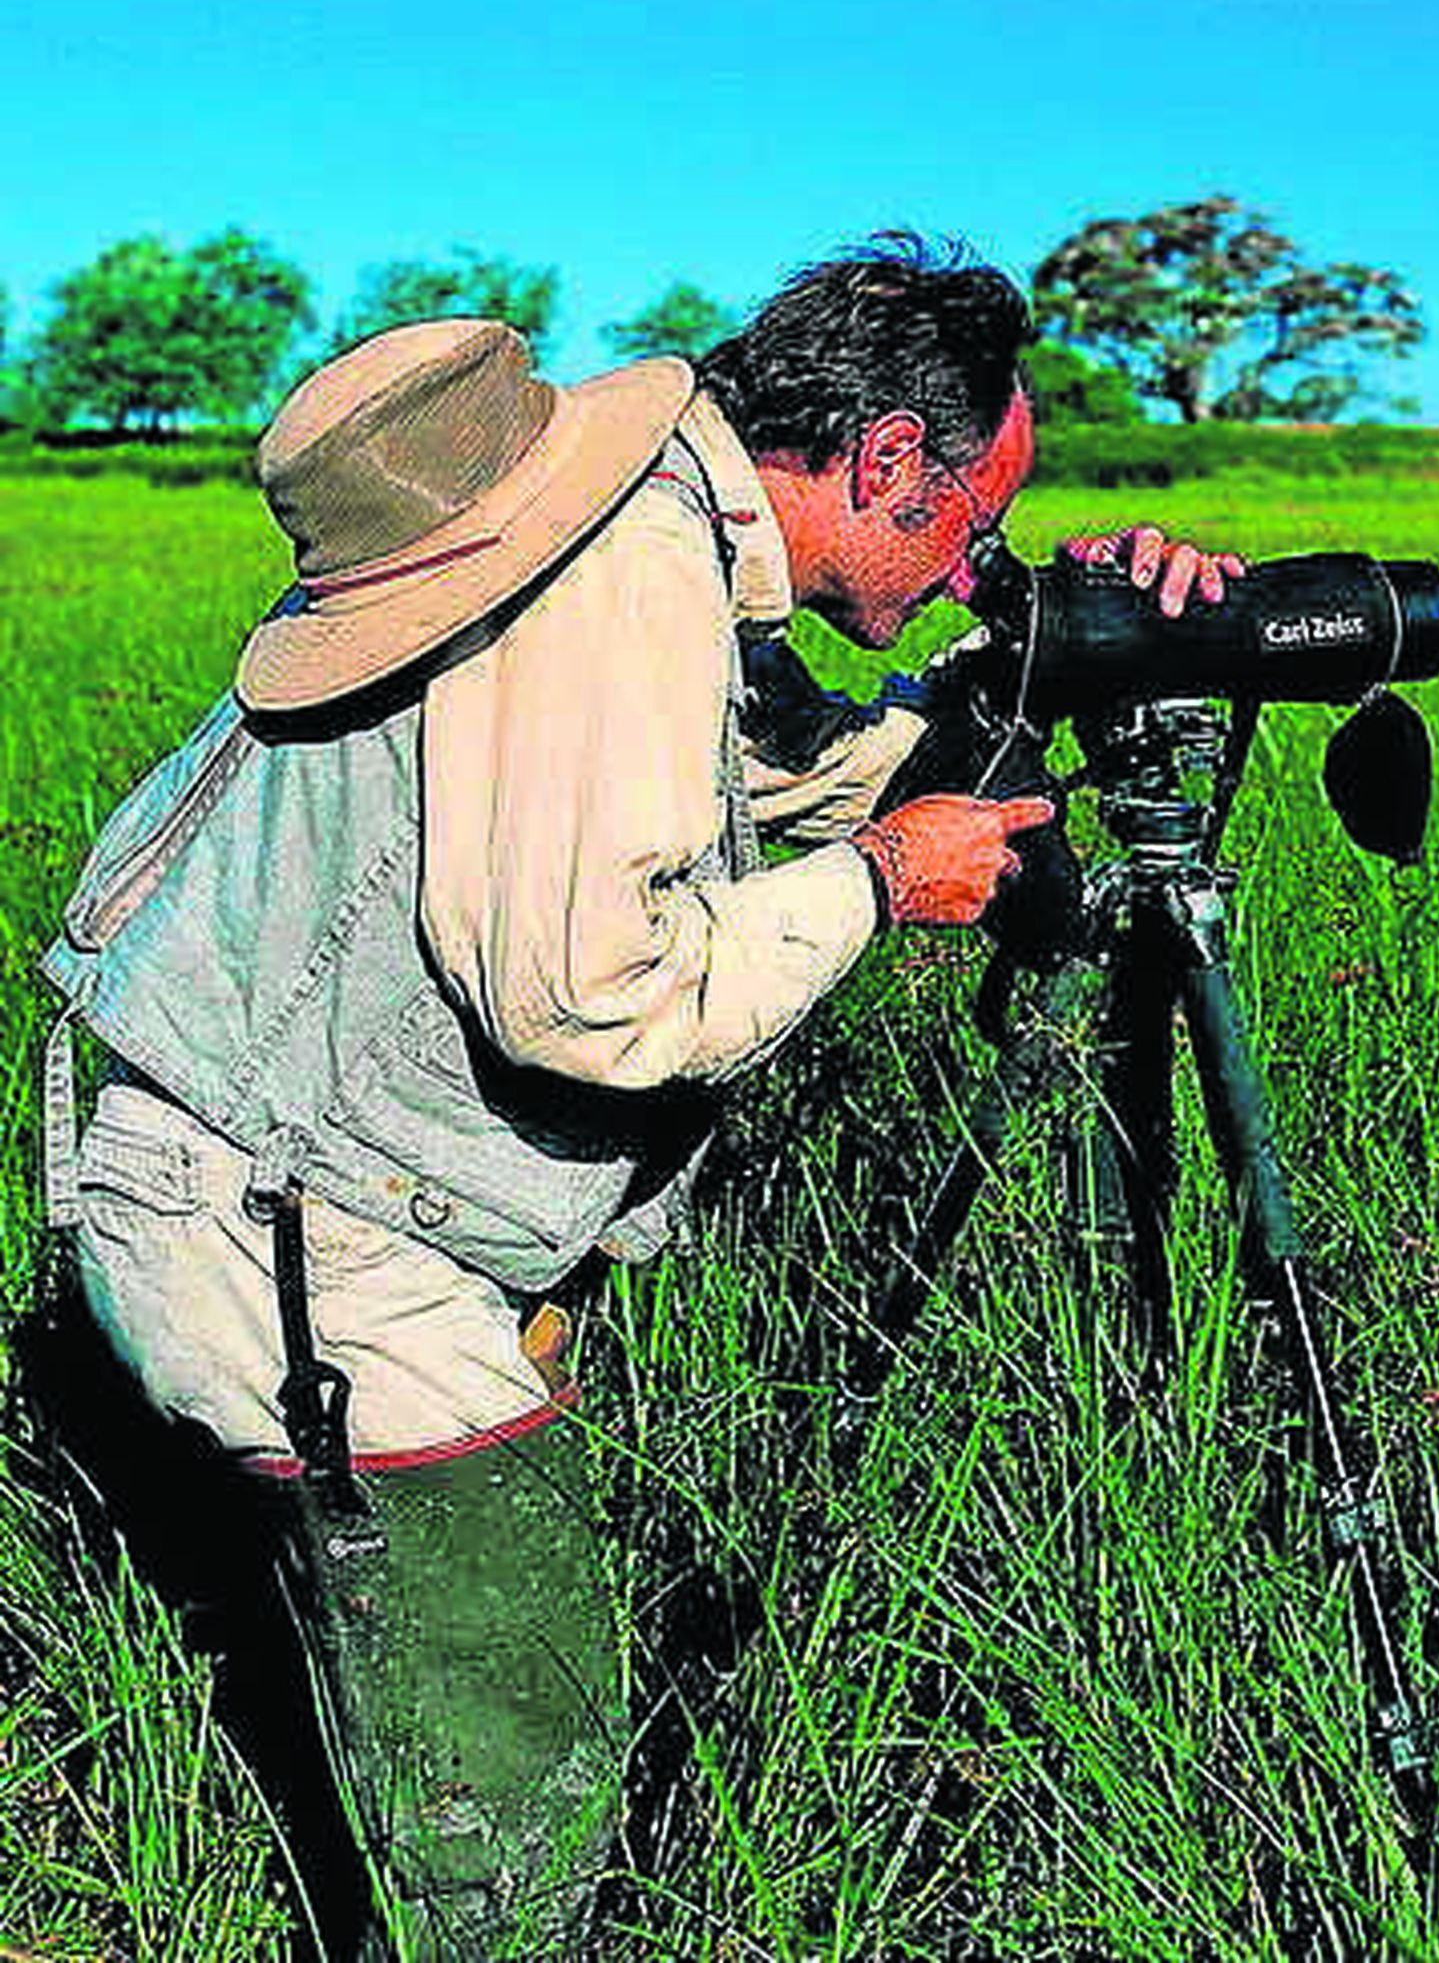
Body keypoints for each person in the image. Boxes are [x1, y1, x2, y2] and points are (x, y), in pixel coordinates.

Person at [36, 233, 1239, 1958]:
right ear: (886, 456)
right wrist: (888, 886)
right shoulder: (622, 576)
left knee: (459, 1683)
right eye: (975, 525)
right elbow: (592, 1001)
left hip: (266, 1164)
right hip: (288, 1210)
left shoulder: (659, 546)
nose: (984, 566)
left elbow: (724, 785)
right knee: (515, 1750)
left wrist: (1035, 654)